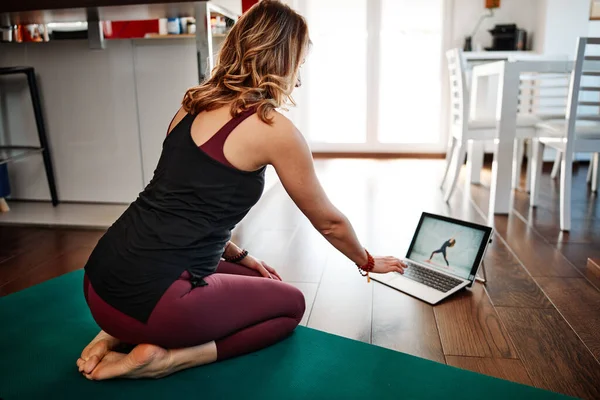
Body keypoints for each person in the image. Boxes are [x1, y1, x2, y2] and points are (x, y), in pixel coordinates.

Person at [77, 0, 406, 381]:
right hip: (156, 304)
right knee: (290, 305)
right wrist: (367, 261)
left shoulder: (191, 105)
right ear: (281, 60)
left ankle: (116, 334)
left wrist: (239, 255)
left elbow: (180, 200)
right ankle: (168, 358)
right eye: (298, 64)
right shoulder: (273, 129)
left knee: (260, 279)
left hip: (98, 284)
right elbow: (329, 222)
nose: (298, 79)